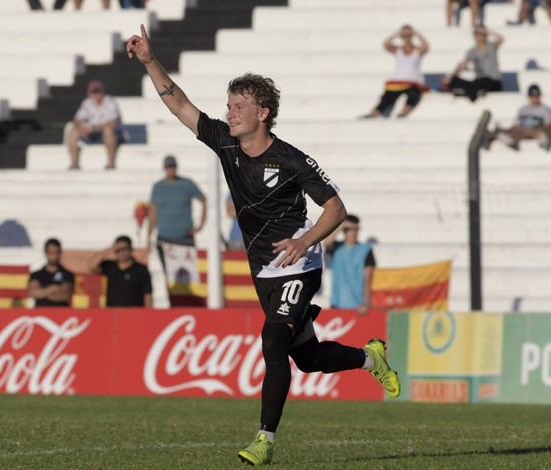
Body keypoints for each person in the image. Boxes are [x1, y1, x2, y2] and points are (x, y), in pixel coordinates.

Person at [127, 24, 400, 466]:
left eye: (239, 107)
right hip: (263, 270)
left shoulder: (292, 159)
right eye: (229, 106)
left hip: (300, 263)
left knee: (273, 341)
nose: (230, 113)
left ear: (264, 113)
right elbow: (178, 104)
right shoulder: (225, 144)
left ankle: (264, 440)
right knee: (307, 358)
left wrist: (303, 241)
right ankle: (371, 359)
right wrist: (148, 61)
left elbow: (336, 209)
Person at [362, 25, 429, 119]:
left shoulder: (417, 50)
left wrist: (416, 33)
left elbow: (426, 46)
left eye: (409, 35)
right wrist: (397, 33)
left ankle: (403, 113)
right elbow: (385, 44)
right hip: (397, 81)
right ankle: (373, 114)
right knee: (387, 98)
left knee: (414, 95)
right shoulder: (398, 50)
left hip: (413, 82)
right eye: (405, 35)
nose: (407, 37)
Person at [148, 155, 206, 251]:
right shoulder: (158, 187)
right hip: (164, 236)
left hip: (185, 236)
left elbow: (204, 200)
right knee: (166, 266)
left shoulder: (187, 184)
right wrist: (148, 237)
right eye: (168, 167)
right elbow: (152, 213)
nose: (171, 170)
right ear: (164, 168)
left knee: (187, 266)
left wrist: (200, 225)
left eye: (173, 167)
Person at [322, 215, 376, 315]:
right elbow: (326, 243)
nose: (353, 233)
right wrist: (341, 226)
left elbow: (368, 279)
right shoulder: (336, 247)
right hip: (337, 303)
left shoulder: (366, 250)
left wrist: (366, 303)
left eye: (355, 229)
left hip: (358, 306)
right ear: (344, 231)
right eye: (350, 229)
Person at [66, 80, 123, 170]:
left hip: (107, 133)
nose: (96, 94)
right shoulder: (87, 103)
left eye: (98, 91)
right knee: (73, 131)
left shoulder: (110, 101)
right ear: (89, 93)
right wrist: (81, 127)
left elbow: (114, 121)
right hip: (92, 132)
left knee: (108, 131)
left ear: (103, 92)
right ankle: (74, 164)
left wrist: (94, 128)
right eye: (94, 91)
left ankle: (111, 164)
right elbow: (77, 119)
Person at [442, 26, 503, 102]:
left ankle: (469, 93)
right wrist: (451, 77)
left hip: (493, 80)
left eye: (482, 33)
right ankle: (472, 92)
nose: (479, 36)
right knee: (456, 81)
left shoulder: (491, 46)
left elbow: (501, 39)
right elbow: (462, 65)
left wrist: (488, 31)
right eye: (477, 33)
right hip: (478, 82)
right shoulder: (472, 51)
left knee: (482, 81)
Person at [88, 235, 153, 307]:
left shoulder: (141, 269)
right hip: (112, 313)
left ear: (131, 249)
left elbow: (147, 294)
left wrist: (148, 314)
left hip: (134, 313)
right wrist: (110, 248)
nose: (122, 253)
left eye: (125, 249)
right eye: (118, 250)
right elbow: (92, 266)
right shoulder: (110, 266)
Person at [489, 84, 551, 151]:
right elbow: (515, 125)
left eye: (536, 96)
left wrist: (533, 130)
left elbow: (548, 125)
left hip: (537, 132)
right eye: (532, 96)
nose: (534, 98)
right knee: (512, 131)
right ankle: (506, 139)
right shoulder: (523, 110)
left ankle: (544, 141)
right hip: (522, 131)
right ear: (528, 96)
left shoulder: (545, 109)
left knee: (543, 132)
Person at [28, 238, 75, 307]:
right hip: (40, 315)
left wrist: (43, 292)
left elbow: (65, 296)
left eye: (56, 253)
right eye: (51, 252)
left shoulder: (67, 275)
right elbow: (34, 293)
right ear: (45, 253)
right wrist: (53, 288)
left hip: (61, 314)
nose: (54, 256)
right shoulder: (37, 275)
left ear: (60, 253)